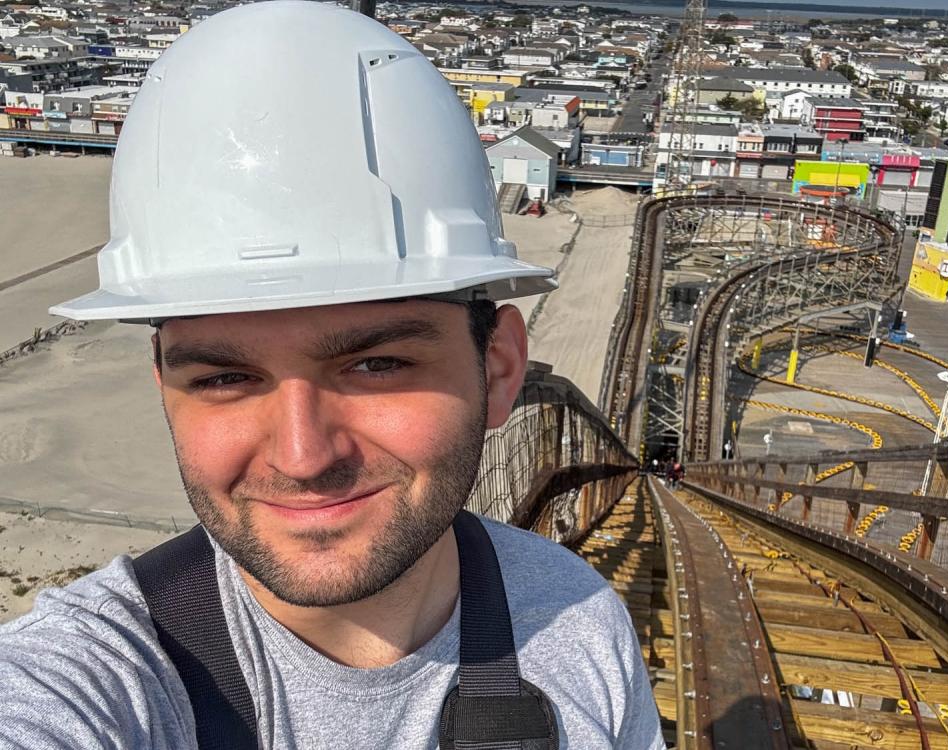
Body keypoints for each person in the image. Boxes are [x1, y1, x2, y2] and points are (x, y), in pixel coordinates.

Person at [0, 4, 664, 749]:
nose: (303, 456)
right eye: (224, 379)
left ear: (500, 367)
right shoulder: (92, 678)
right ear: (165, 388)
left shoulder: (578, 622)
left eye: (376, 365)